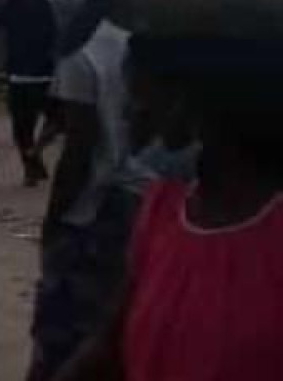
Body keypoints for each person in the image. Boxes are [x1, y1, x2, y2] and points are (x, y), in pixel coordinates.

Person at [52, 35, 283, 381]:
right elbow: (111, 342)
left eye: (140, 93)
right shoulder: (162, 209)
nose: (130, 111)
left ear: (187, 95)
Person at [26, 18, 132, 381]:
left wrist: (54, 220)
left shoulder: (83, 49)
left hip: (95, 209)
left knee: (62, 336)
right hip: (152, 203)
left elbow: (79, 148)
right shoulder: (157, 33)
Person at [0, 0, 58, 185]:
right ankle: (36, 152)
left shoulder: (12, 3)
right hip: (43, 72)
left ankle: (29, 164)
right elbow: (54, 35)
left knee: (22, 127)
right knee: (55, 119)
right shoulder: (45, 4)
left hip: (18, 73)